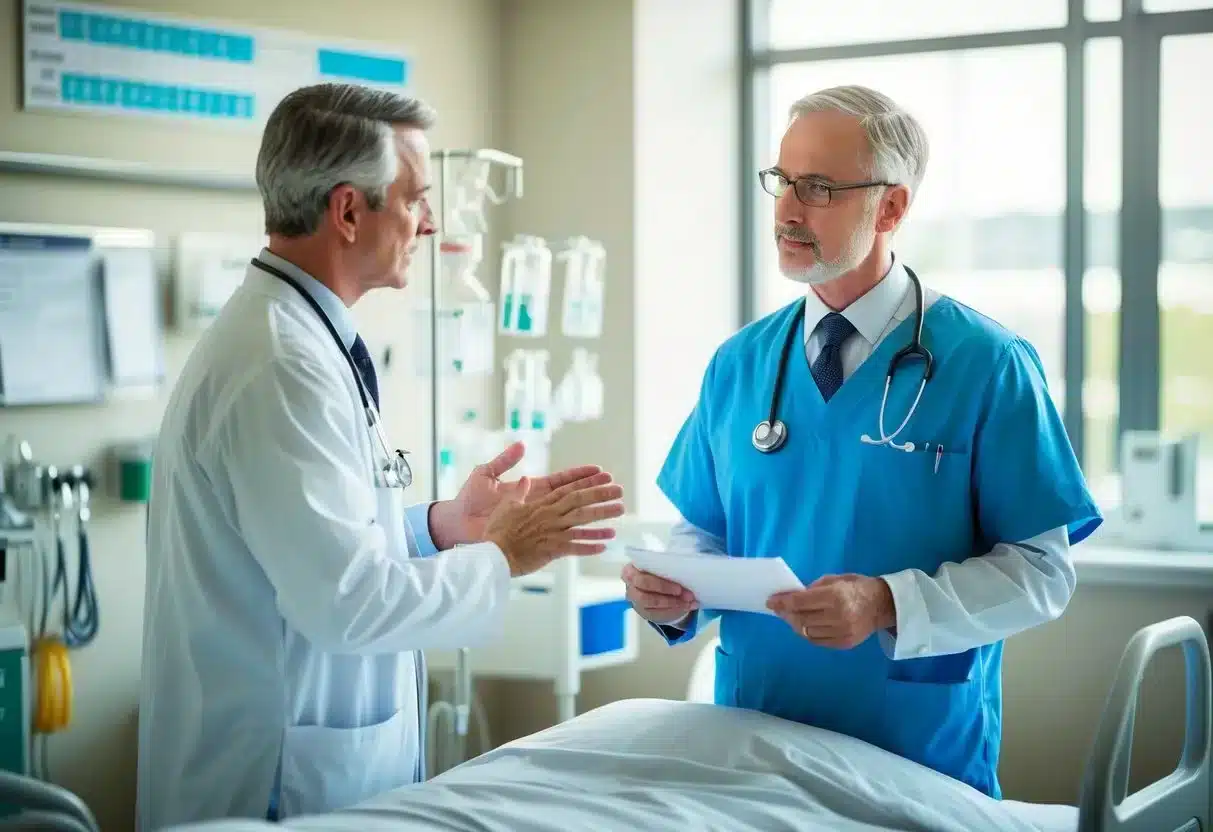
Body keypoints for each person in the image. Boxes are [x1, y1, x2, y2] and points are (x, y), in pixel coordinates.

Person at [137, 82, 625, 829]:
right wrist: (503, 557)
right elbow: (346, 602)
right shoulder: (280, 364)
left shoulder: (301, 336)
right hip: (268, 784)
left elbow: (310, 538)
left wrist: (442, 525)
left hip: (303, 760)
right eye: (415, 199)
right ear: (347, 210)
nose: (429, 224)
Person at [622, 85, 1101, 799]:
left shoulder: (986, 364)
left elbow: (1040, 571)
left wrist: (886, 603)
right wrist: (675, 589)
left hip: (914, 756)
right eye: (782, 181)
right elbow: (705, 530)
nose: (786, 209)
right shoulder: (740, 363)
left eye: (817, 187)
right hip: (752, 747)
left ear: (892, 207)